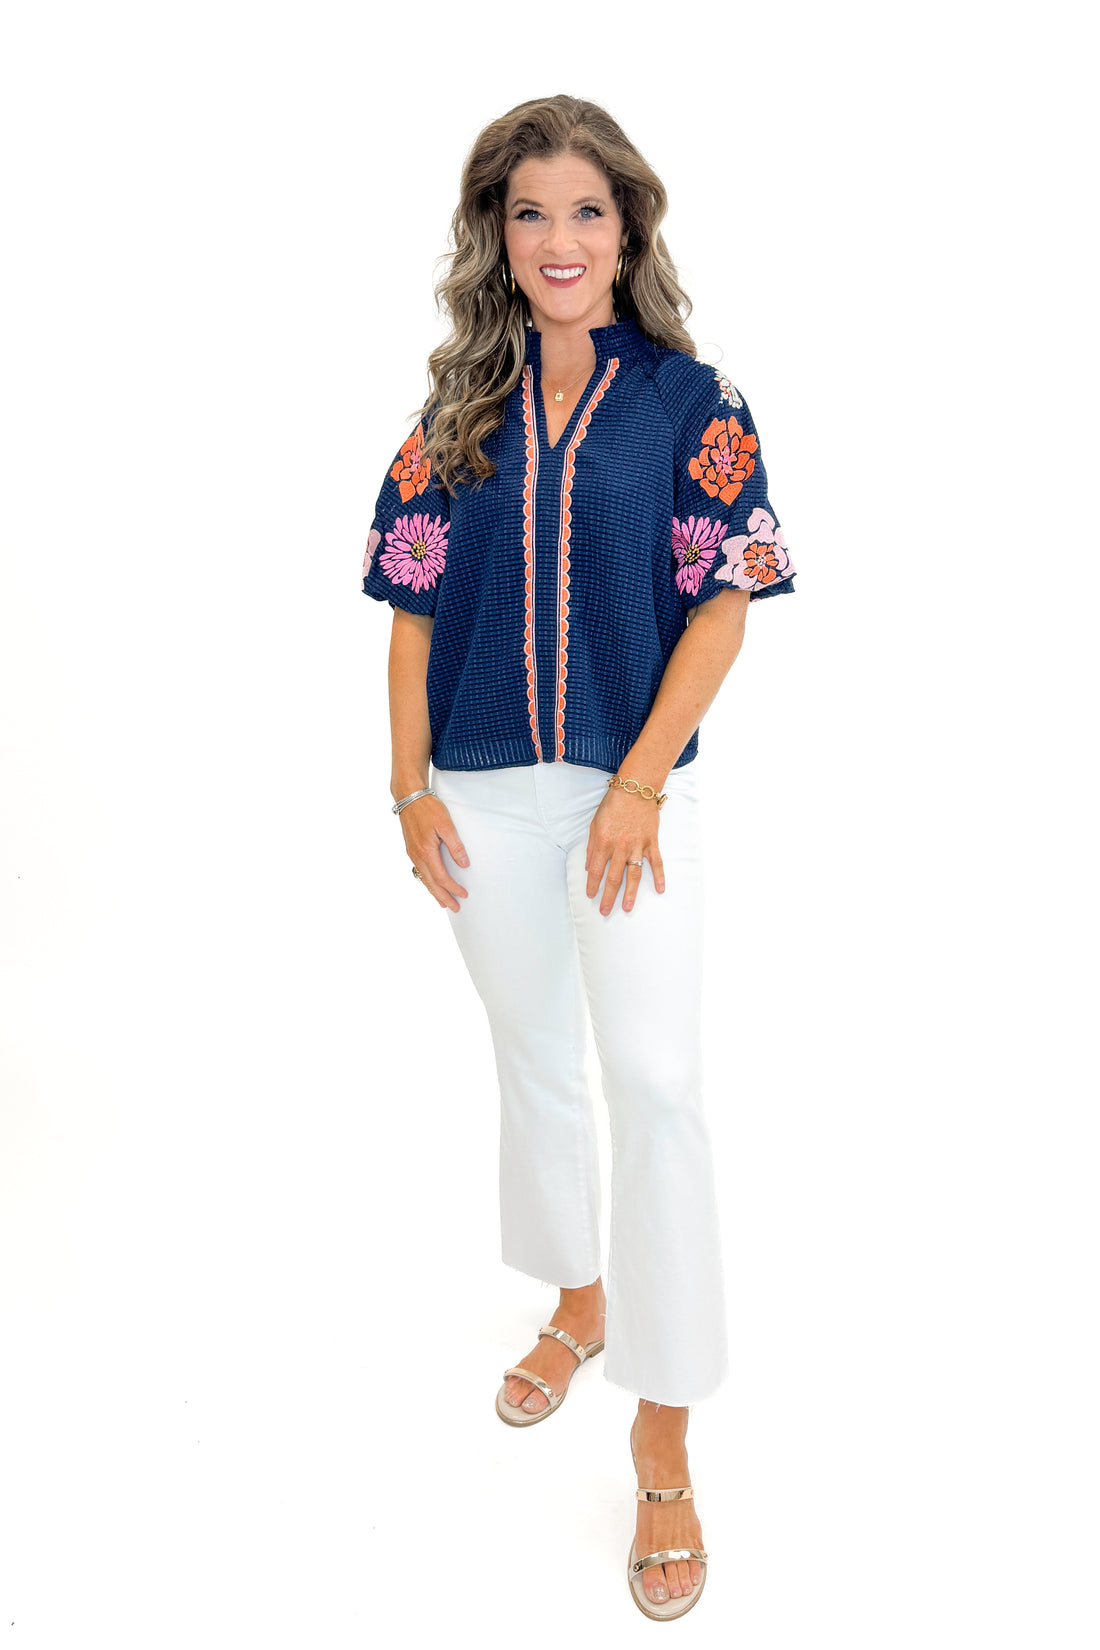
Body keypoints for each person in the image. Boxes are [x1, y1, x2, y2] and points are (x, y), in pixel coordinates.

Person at [361, 93, 796, 1621]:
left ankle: (665, 1427)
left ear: (630, 230)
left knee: (659, 1084)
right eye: (529, 211)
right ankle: (577, 1297)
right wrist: (408, 791)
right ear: (498, 232)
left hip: (630, 803)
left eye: (586, 211)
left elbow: (730, 596)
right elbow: (411, 610)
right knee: (536, 1057)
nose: (558, 239)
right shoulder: (450, 413)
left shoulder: (691, 401)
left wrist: (639, 784)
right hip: (478, 795)